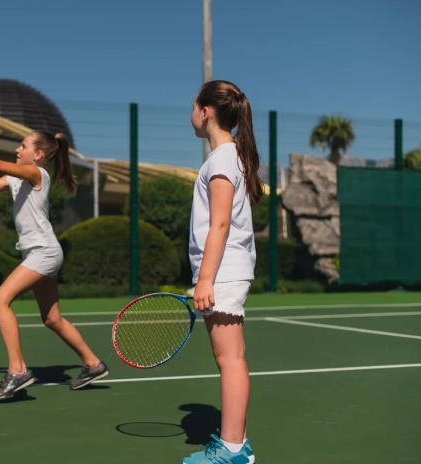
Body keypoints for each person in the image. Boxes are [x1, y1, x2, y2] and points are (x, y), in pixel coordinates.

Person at [0, 131, 109, 401]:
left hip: (44, 252)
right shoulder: (16, 179)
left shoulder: (37, 174)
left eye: (22, 146)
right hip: (38, 252)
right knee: (52, 319)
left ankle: (17, 371)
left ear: (38, 155)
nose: (17, 150)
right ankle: (93, 364)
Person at [182, 80, 263, 464]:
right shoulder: (231, 157)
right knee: (234, 357)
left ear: (206, 111)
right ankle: (237, 445)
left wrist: (205, 279)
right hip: (228, 270)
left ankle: (231, 450)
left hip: (223, 272)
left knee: (229, 360)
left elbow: (219, 224)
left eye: (193, 106)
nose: (191, 113)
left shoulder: (221, 160)